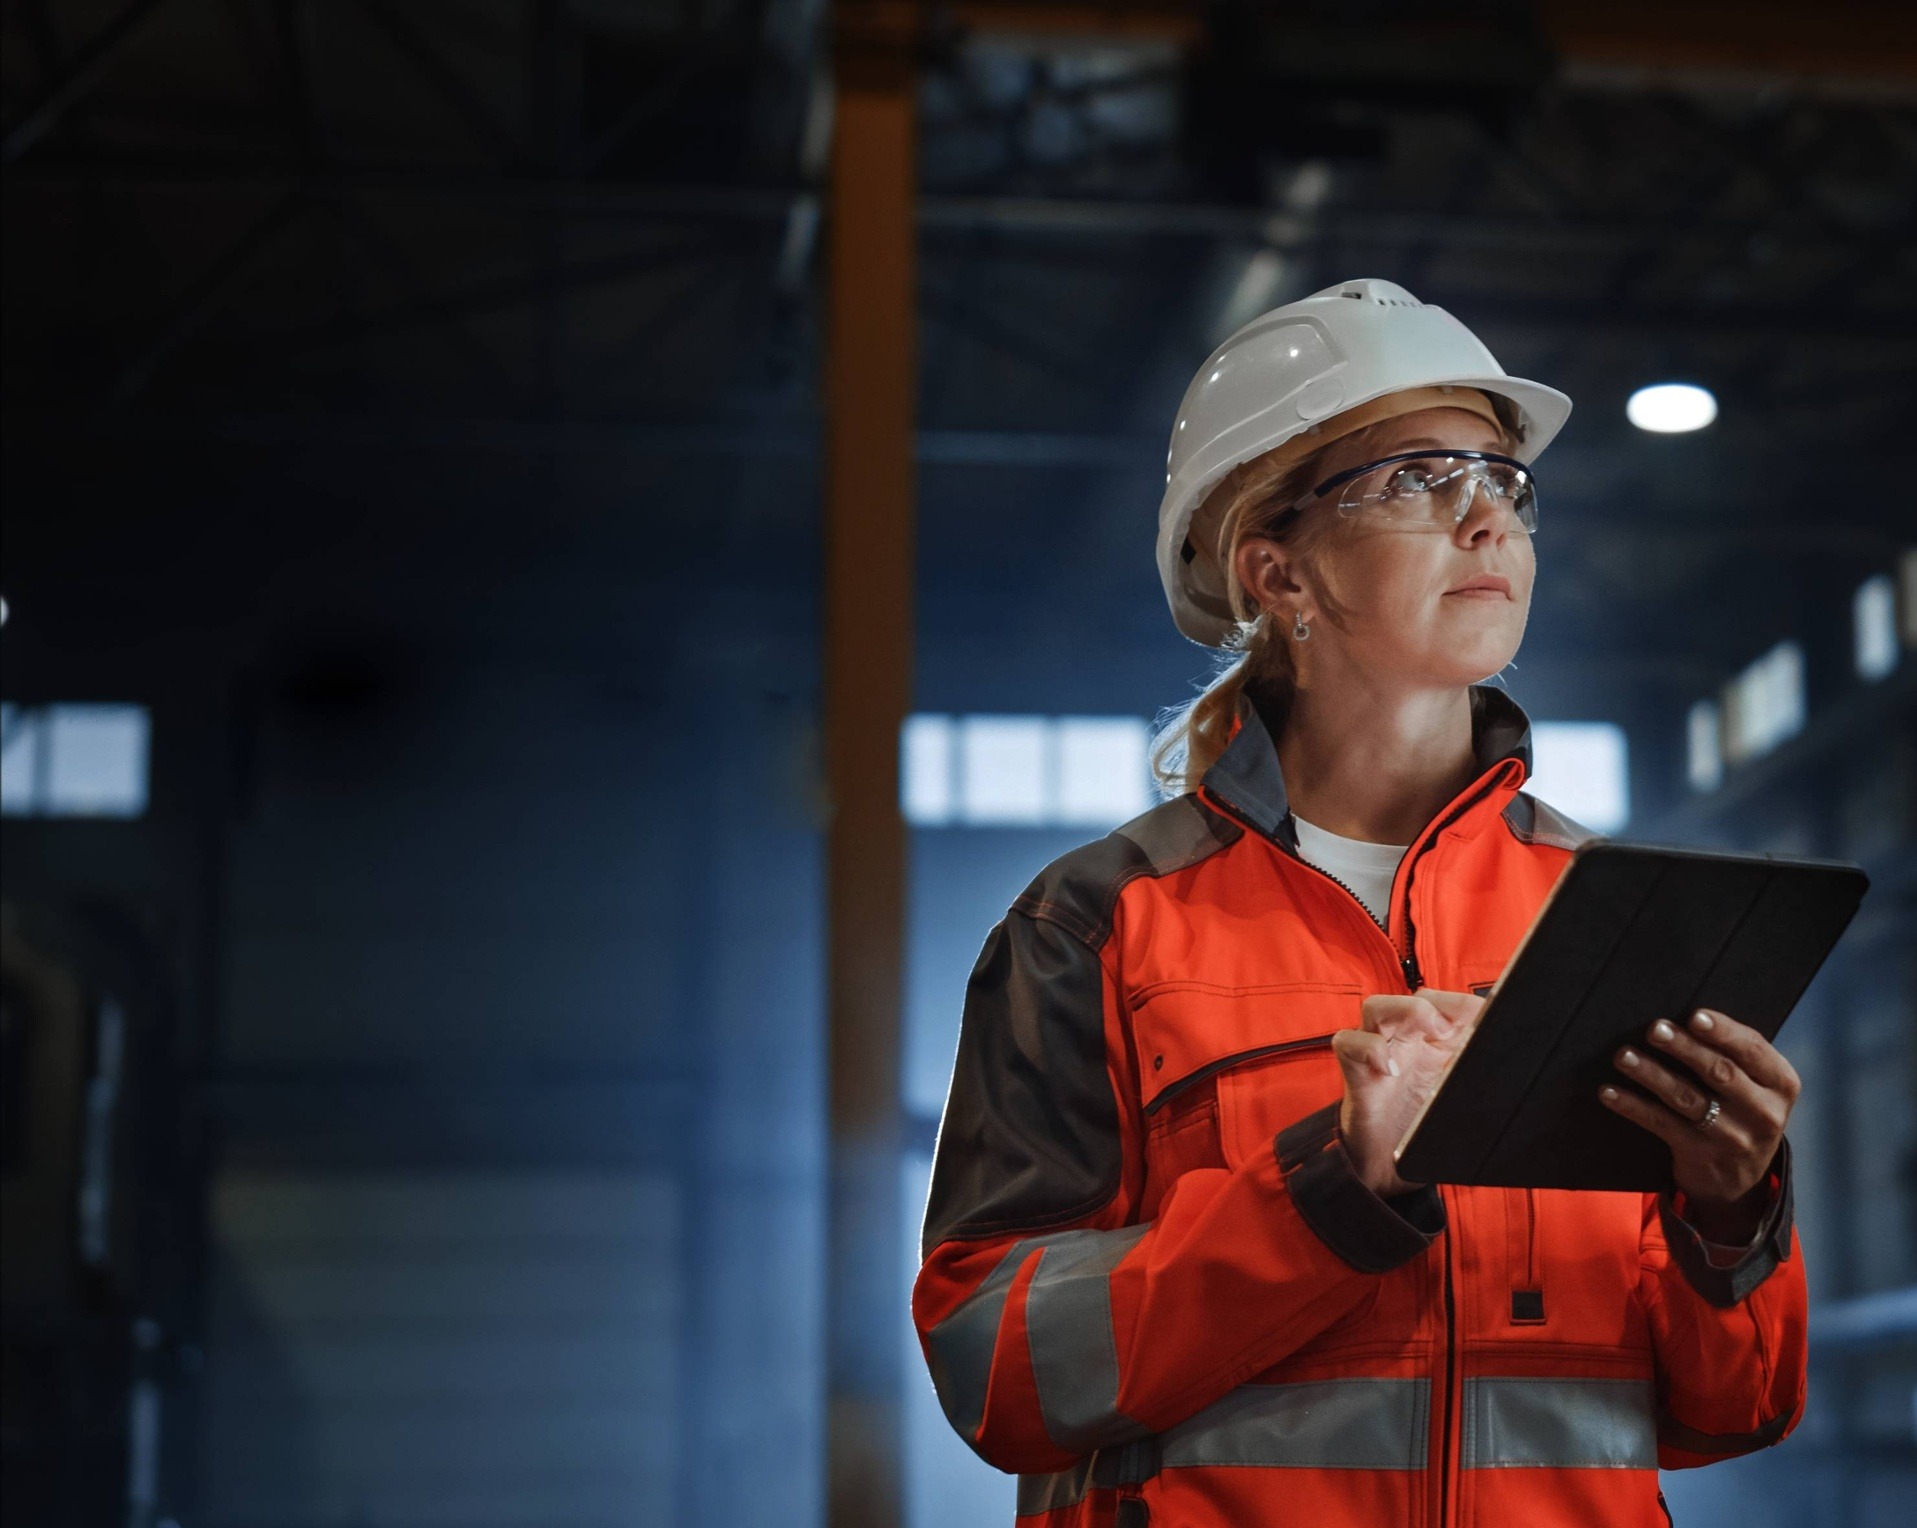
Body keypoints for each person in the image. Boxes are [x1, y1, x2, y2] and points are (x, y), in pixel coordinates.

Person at [909, 279, 1805, 1527]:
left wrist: (1731, 1215)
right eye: (1421, 478)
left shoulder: (1612, 919)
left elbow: (1732, 1411)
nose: (1486, 517)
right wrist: (1336, 1187)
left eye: (1504, 482)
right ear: (1278, 572)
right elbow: (994, 1363)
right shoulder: (1100, 926)